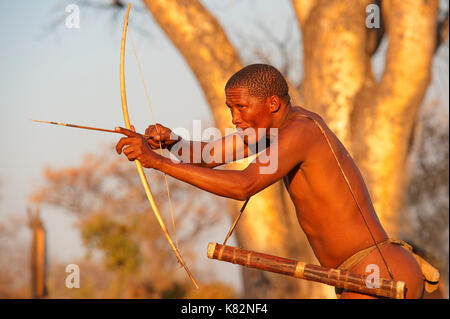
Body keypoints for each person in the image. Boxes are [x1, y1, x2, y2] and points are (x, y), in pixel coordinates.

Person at [115, 64, 432, 299]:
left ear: (272, 104)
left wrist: (155, 162)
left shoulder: (301, 131)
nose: (234, 118)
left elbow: (243, 186)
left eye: (241, 107)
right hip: (354, 275)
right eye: (230, 108)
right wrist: (169, 143)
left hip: (377, 270)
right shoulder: (271, 131)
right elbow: (209, 155)